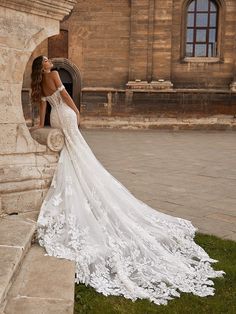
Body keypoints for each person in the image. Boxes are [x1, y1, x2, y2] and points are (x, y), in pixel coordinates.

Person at [31, 55, 224, 306]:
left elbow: (44, 107)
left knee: (73, 153)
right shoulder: (55, 75)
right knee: (79, 151)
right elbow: (66, 98)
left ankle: (82, 182)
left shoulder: (40, 83)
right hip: (66, 114)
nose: (49, 62)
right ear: (43, 66)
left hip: (56, 117)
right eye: (46, 60)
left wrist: (38, 124)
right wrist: (77, 112)